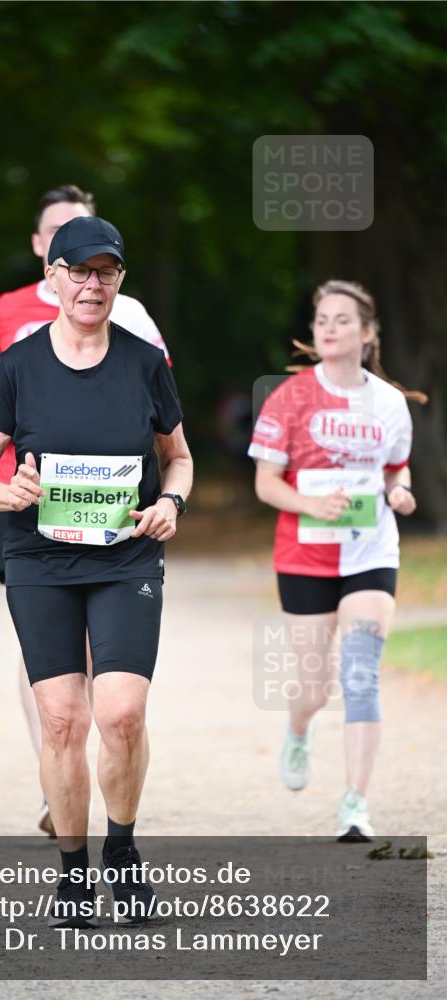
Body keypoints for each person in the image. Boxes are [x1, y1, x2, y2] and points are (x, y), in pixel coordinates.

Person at [0, 216, 193, 925]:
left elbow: (177, 456)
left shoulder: (143, 361)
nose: (93, 285)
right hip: (40, 558)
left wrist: (172, 501)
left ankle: (120, 855)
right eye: (80, 271)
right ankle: (71, 874)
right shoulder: (18, 365)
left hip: (125, 556)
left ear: (119, 280)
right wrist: (9, 493)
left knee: (120, 714)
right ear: (54, 277)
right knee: (61, 721)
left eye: (107, 272)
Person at [248, 280, 427, 842]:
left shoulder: (390, 402)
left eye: (342, 320)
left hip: (371, 551)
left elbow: (398, 467)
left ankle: (355, 805)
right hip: (304, 554)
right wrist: (310, 503)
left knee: (361, 674)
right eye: (321, 319)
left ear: (368, 334)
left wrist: (399, 492)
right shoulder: (290, 397)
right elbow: (266, 484)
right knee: (314, 684)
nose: (327, 328)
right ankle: (299, 731)